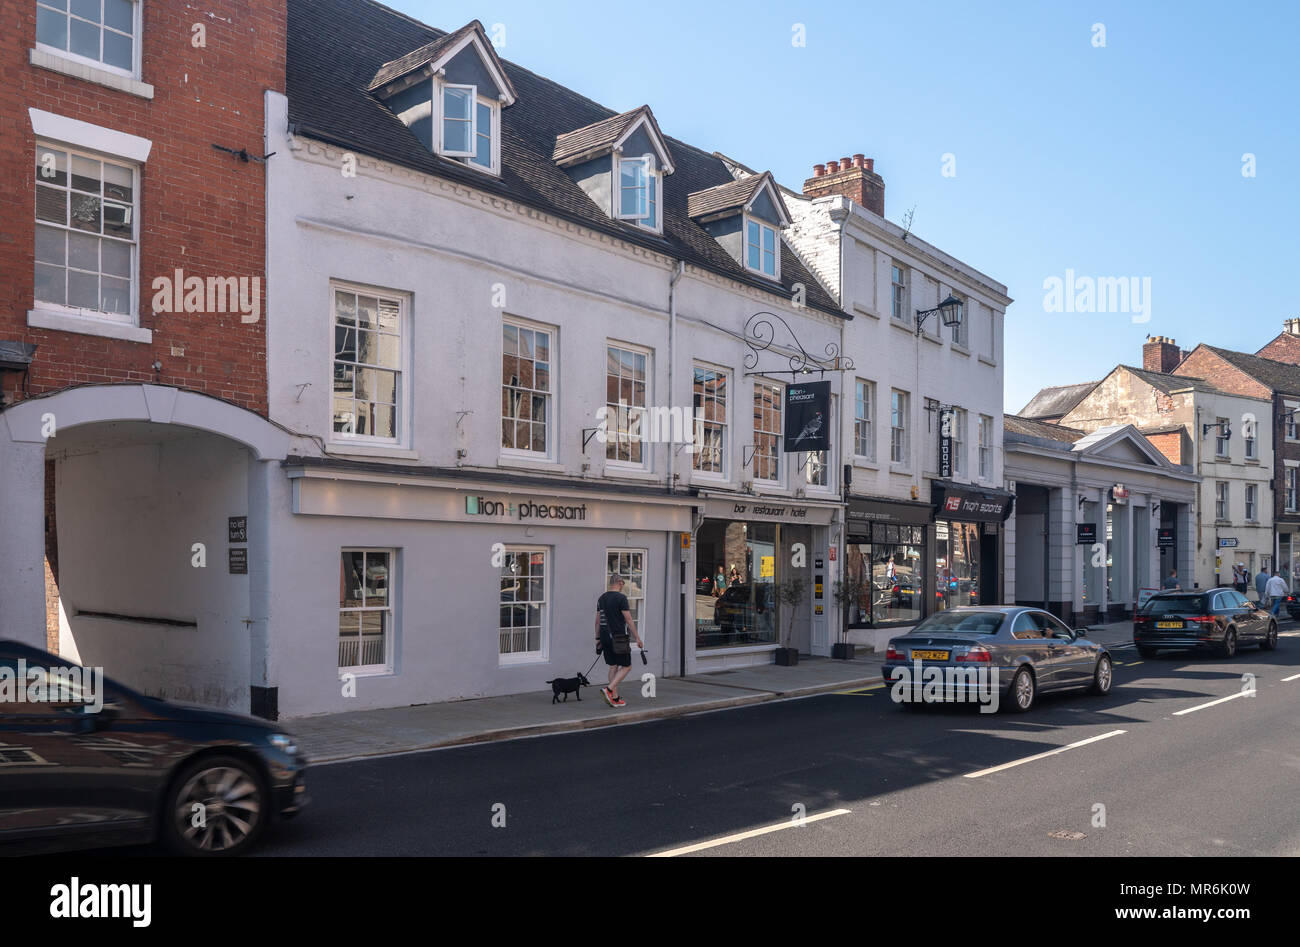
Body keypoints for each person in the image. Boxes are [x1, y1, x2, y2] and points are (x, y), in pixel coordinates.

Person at [595, 574, 642, 708]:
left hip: (604, 636)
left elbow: (597, 621)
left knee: (613, 665)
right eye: (623, 584)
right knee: (627, 666)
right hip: (618, 638)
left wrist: (597, 638)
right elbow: (628, 619)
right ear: (620, 582)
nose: (623, 586)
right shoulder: (621, 598)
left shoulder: (601, 598)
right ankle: (609, 690)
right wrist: (637, 638)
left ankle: (614, 698)